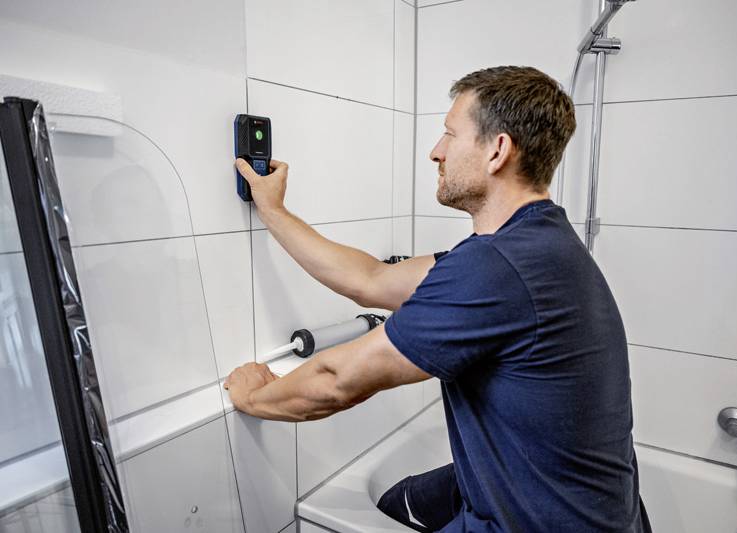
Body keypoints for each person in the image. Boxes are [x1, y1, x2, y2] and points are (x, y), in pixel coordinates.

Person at [224, 65, 651, 532]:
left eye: (450, 134)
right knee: (397, 503)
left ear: (497, 150)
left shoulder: (497, 267)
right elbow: (371, 279)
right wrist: (273, 209)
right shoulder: (537, 243)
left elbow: (337, 381)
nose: (436, 151)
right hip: (589, 509)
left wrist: (254, 397)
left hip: (544, 524)